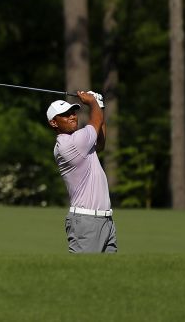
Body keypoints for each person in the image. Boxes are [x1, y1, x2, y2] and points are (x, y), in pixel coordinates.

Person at [47, 90, 117, 253]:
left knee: (110, 276)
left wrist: (98, 106)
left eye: (73, 112)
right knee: (83, 276)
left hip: (105, 220)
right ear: (54, 123)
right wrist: (93, 103)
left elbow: (100, 143)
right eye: (65, 115)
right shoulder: (70, 144)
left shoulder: (81, 141)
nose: (72, 116)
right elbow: (96, 123)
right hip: (86, 222)